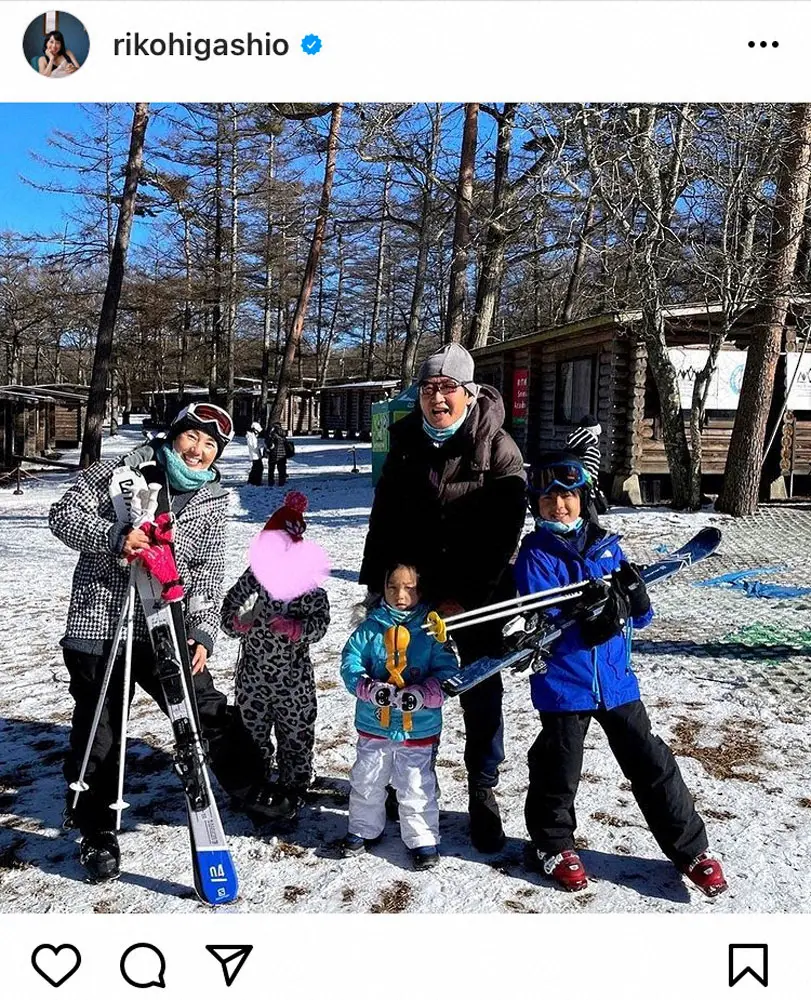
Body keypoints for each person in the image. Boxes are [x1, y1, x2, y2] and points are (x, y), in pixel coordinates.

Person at [49, 402, 278, 884]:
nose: (198, 450)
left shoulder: (213, 499)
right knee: (100, 728)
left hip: (165, 627)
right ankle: (95, 827)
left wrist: (202, 632)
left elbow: (208, 572)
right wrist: (115, 536)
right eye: (192, 437)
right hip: (102, 623)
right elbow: (63, 514)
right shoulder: (123, 471)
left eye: (211, 445)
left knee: (206, 708)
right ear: (174, 435)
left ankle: (251, 787)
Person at [513, 451, 728, 896]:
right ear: (537, 506)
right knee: (559, 766)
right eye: (548, 500)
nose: (559, 507)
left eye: (567, 497)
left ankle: (691, 849)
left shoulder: (607, 546)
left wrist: (636, 600)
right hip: (563, 683)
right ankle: (553, 845)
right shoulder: (536, 555)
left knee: (652, 761)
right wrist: (589, 614)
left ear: (582, 498)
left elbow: (638, 617)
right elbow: (547, 615)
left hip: (615, 680)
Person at [359, 343, 526, 853]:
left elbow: (503, 537)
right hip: (416, 587)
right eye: (429, 388)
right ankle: (406, 780)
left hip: (479, 592)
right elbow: (385, 518)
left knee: (479, 689)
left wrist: (464, 599)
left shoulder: (499, 448)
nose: (437, 398)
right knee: (406, 681)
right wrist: (377, 586)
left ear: (469, 393)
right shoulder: (406, 440)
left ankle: (482, 790)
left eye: (448, 388)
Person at [340, 564, 459, 870]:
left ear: (421, 590)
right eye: (392, 587)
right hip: (374, 724)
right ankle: (364, 828)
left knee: (416, 784)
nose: (400, 595)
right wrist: (366, 687)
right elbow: (350, 662)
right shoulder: (370, 628)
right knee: (367, 779)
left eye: (409, 588)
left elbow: (448, 671)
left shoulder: (431, 630)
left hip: (417, 728)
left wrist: (425, 694)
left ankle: (421, 838)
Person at [220, 491, 330, 823]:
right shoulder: (252, 578)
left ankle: (295, 786)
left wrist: (297, 628)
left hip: (293, 679)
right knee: (251, 735)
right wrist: (236, 622)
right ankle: (254, 788)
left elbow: (321, 622)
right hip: (253, 677)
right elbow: (227, 612)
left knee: (296, 735)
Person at [565, 414, 608, 516]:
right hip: (584, 496)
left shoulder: (569, 447)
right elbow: (590, 476)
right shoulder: (591, 449)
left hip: (567, 492)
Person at [265, 422, 293, 486]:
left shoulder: (273, 434)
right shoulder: (283, 434)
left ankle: (271, 482)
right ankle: (281, 482)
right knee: (281, 470)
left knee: (271, 470)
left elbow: (270, 444)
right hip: (282, 455)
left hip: (273, 454)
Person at [245, 421, 264, 485]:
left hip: (256, 454)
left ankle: (253, 481)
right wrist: (260, 445)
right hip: (255, 455)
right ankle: (255, 481)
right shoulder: (251, 436)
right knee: (258, 468)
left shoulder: (252, 436)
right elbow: (253, 446)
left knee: (256, 468)